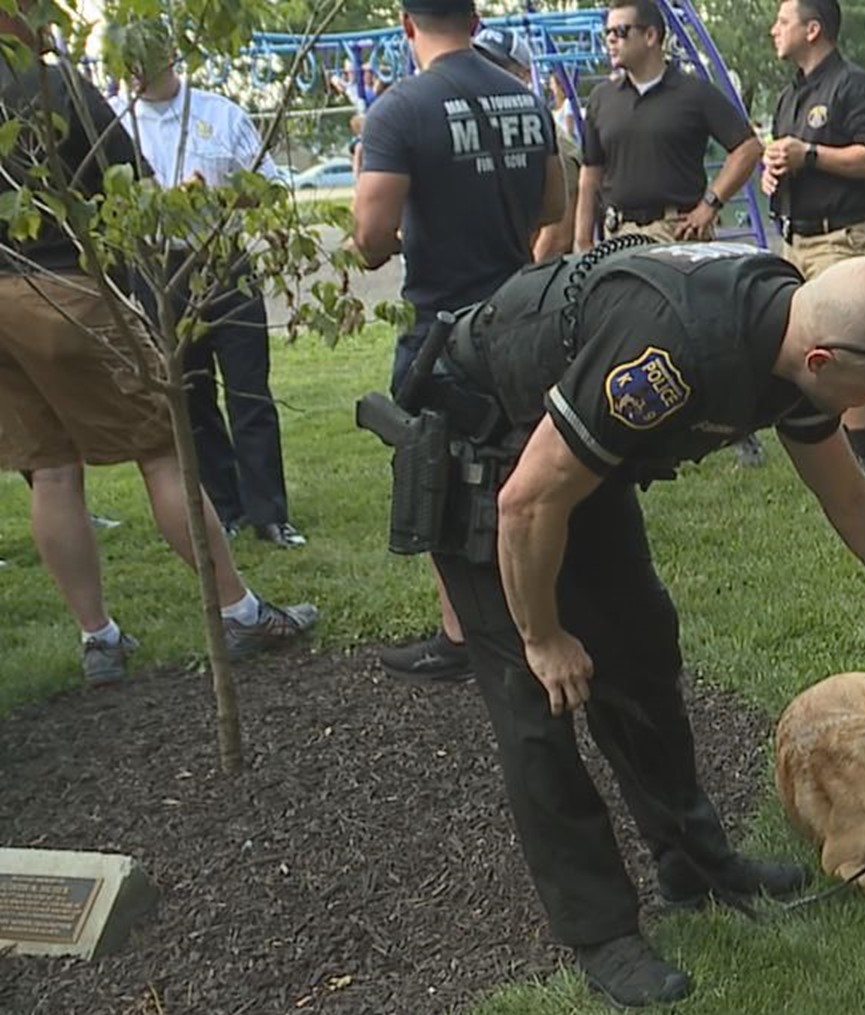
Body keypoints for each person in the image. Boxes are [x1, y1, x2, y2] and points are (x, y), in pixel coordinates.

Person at [397, 241, 865, 1007]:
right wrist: (543, 637)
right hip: (487, 457)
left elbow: (846, 494)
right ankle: (602, 930)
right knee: (540, 705)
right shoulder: (669, 358)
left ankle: (695, 862)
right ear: (821, 362)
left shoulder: (793, 342)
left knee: (642, 651)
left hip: (579, 463)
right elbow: (526, 501)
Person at [0, 15, 317, 687]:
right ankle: (238, 612)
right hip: (67, 287)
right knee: (163, 450)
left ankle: (99, 640)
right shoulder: (52, 87)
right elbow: (134, 187)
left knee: (53, 473)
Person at [353, 0, 566, 684]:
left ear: (406, 23)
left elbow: (368, 244)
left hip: (441, 327)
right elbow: (553, 210)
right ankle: (539, 609)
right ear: (475, 20)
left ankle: (464, 635)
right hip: (516, 318)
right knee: (524, 473)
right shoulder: (527, 101)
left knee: (438, 479)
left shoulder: (398, 111)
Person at [117, 32, 307, 547]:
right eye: (125, 62)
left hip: (224, 261)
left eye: (144, 58)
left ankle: (269, 510)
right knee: (191, 394)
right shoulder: (115, 119)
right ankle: (224, 505)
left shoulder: (219, 114)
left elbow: (269, 186)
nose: (134, 71)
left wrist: (219, 194)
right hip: (157, 270)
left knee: (249, 389)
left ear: (169, 57)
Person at [764, 0, 865, 495]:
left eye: (783, 21)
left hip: (843, 234)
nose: (774, 29)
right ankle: (819, 446)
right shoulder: (790, 97)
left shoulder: (851, 85)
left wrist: (811, 155)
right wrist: (773, 173)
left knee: (848, 342)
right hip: (795, 237)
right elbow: (790, 159)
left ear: (813, 29)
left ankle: (864, 459)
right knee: (798, 346)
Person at [573, 2, 762, 250]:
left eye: (620, 31)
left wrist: (710, 204)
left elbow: (748, 148)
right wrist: (583, 240)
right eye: (606, 32)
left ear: (650, 35)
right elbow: (590, 174)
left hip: (677, 233)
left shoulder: (695, 93)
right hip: (618, 235)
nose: (610, 39)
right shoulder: (602, 98)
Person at [474, 25, 578, 262]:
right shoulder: (479, 133)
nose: (486, 74)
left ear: (523, 74)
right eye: (480, 64)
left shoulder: (551, 139)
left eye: (497, 66)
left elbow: (556, 238)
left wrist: (520, 286)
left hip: (527, 283)